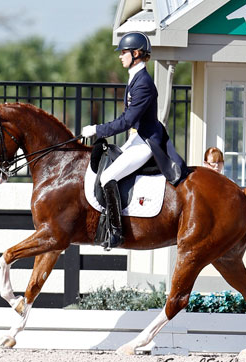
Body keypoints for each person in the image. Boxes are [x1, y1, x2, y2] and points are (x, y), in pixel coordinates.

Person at [80, 31, 189, 249]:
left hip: (147, 141)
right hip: (137, 137)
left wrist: (97, 129)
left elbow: (127, 120)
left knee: (108, 176)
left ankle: (116, 232)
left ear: (136, 53)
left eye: (124, 52)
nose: (120, 56)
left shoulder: (143, 83)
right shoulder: (135, 78)